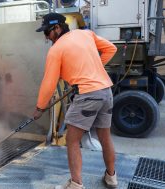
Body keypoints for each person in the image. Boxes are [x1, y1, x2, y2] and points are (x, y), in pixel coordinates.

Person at [33, 13, 118, 189]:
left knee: (72, 140)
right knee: (105, 136)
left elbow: (49, 84)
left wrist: (40, 107)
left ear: (57, 28)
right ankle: (111, 177)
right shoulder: (85, 34)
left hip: (87, 95)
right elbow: (111, 48)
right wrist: (94, 69)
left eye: (47, 33)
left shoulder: (56, 50)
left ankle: (76, 184)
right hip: (106, 91)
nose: (46, 37)